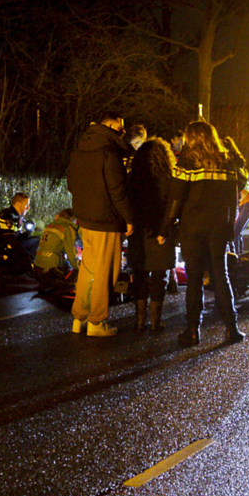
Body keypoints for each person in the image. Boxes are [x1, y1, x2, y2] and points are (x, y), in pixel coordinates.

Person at [160, 120, 248, 347]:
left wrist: (166, 226)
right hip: (219, 227)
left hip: (193, 228)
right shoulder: (227, 163)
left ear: (192, 138)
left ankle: (192, 331)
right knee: (221, 276)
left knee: (195, 280)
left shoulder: (187, 162)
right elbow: (239, 184)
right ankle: (231, 328)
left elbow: (176, 197)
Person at [66, 112, 134, 336]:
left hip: (85, 218)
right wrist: (129, 218)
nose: (123, 131)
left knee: (88, 268)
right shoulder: (108, 151)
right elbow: (118, 191)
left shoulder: (80, 148)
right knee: (106, 272)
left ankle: (79, 318)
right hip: (106, 220)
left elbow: (71, 184)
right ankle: (97, 322)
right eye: (121, 126)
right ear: (112, 125)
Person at [127, 137, 177, 332]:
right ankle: (156, 321)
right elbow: (172, 207)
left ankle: (140, 320)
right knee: (159, 276)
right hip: (160, 232)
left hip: (139, 231)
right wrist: (165, 230)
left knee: (139, 274)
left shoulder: (133, 178)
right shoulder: (169, 178)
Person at [0, 193, 38, 274]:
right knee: (25, 253)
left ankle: (27, 268)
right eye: (26, 205)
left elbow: (18, 238)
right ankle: (20, 271)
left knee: (37, 240)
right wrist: (28, 256)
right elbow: (12, 242)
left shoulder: (17, 217)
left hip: (8, 248)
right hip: (0, 254)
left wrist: (28, 232)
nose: (28, 208)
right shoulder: (5, 217)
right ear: (17, 204)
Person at [33, 209, 80, 290]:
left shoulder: (50, 225)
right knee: (77, 274)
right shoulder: (67, 228)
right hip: (52, 268)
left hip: (38, 266)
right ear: (73, 218)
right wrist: (81, 267)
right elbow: (72, 255)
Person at [232, 187, 249, 255]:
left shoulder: (227, 191)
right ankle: (240, 253)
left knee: (235, 232)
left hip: (248, 202)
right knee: (238, 230)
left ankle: (236, 255)